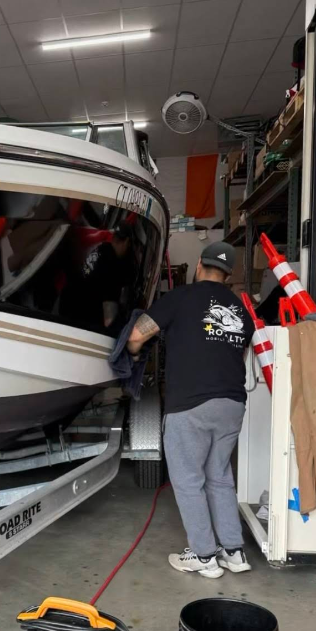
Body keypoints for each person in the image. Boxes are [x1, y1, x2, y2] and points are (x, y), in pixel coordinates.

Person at [127, 241, 255, 579]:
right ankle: (234, 551)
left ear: (199, 264)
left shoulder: (179, 298)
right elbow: (239, 356)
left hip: (190, 405)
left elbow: (136, 337)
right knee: (219, 476)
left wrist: (134, 356)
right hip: (232, 404)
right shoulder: (241, 310)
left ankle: (203, 556)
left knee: (187, 480)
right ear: (229, 274)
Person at [60, 220, 134, 332]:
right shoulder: (113, 265)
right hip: (82, 323)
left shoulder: (101, 248)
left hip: (67, 309)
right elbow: (109, 320)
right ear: (127, 241)